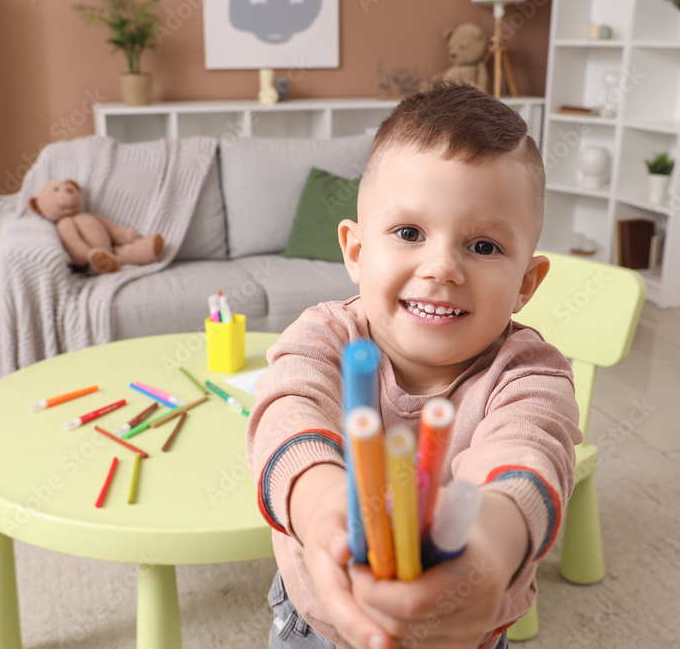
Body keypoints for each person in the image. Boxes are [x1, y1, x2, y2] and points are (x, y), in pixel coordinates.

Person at [245, 83, 581, 649]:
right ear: (355, 252)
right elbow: (287, 410)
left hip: (464, 630)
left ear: (527, 282)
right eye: (409, 233)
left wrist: (488, 547)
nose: (441, 267)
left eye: (483, 246)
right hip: (318, 625)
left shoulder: (530, 374)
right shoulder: (326, 334)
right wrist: (322, 504)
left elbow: (530, 453)